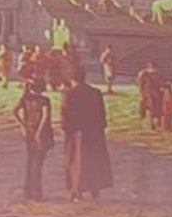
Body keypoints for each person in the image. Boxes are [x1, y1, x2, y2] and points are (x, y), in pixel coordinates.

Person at [60, 67, 112, 202]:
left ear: (72, 78)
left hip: (77, 132)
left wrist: (67, 130)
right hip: (94, 132)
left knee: (76, 161)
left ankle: (77, 190)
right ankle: (95, 188)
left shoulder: (69, 94)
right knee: (94, 159)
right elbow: (102, 114)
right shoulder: (96, 92)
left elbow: (65, 115)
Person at [13, 76, 53, 201]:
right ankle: (36, 193)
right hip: (41, 133)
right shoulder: (44, 100)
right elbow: (45, 117)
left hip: (29, 131)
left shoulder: (25, 98)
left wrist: (22, 126)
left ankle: (28, 192)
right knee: (38, 164)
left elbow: (14, 111)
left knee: (30, 162)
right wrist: (39, 133)